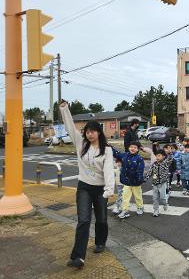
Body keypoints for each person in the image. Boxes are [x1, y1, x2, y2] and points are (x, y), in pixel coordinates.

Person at [60, 102, 114, 269]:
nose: (89, 135)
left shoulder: (107, 150)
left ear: (98, 132)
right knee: (83, 220)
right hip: (84, 187)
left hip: (100, 189)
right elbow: (69, 126)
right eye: (87, 132)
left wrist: (109, 189)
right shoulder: (81, 143)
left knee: (102, 219)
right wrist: (64, 109)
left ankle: (100, 242)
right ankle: (78, 257)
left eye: (92, 131)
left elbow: (108, 171)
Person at [112, 142, 145, 219]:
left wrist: (140, 179)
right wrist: (109, 147)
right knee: (125, 197)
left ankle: (140, 207)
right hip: (126, 182)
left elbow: (140, 170)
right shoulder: (125, 155)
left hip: (136, 183)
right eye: (131, 147)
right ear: (128, 147)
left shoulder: (139, 159)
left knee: (138, 196)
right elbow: (116, 153)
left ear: (138, 149)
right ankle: (125, 210)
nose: (132, 148)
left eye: (135, 147)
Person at [145, 150, 173, 217]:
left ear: (163, 157)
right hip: (155, 183)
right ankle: (156, 210)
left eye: (159, 156)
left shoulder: (165, 163)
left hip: (163, 183)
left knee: (162, 198)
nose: (157, 157)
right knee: (155, 198)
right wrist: (145, 178)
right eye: (156, 155)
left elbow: (170, 159)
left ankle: (165, 204)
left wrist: (169, 153)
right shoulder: (154, 164)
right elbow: (150, 172)